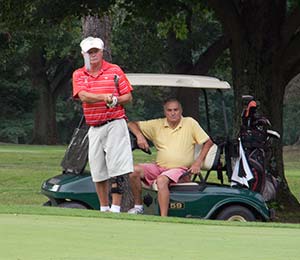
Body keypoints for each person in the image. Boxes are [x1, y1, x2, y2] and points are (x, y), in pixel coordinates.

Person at [72, 36, 133, 213]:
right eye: (89, 52)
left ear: (102, 52)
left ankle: (115, 207)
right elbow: (83, 96)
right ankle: (103, 207)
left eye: (96, 51)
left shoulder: (114, 71)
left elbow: (128, 97)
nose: (93, 55)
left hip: (114, 122)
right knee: (98, 169)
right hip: (94, 126)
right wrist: (104, 97)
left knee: (117, 167)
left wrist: (115, 100)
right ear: (83, 54)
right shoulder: (79, 74)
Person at [127, 98, 214, 216]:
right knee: (133, 171)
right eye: (169, 110)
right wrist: (139, 136)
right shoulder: (157, 124)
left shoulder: (190, 123)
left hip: (181, 169)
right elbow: (132, 124)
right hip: (159, 167)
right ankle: (138, 207)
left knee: (161, 180)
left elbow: (208, 142)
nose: (173, 113)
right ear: (165, 112)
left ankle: (163, 218)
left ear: (181, 110)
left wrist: (197, 162)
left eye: (175, 110)